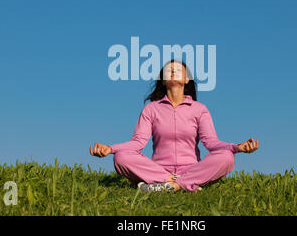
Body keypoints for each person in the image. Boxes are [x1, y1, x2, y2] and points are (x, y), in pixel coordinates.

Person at [90, 59, 259, 192]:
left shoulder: (200, 110)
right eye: (168, 70)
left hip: (192, 168)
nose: (172, 71)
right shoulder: (151, 109)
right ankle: (176, 182)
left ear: (186, 79)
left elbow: (211, 142)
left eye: (177, 70)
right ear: (163, 81)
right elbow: (138, 142)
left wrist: (236, 147)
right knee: (121, 157)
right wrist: (110, 149)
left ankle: (172, 185)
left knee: (227, 157)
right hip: (159, 168)